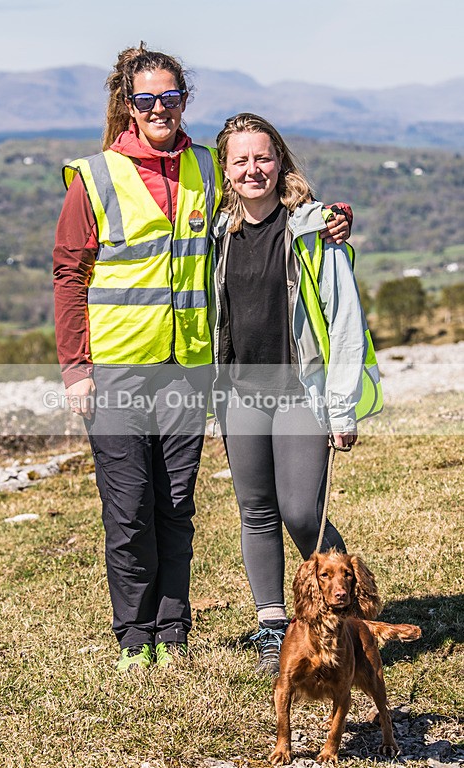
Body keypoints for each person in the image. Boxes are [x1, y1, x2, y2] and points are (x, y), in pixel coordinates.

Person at [53, 44, 351, 673]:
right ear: (129, 106)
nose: (160, 107)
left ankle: (174, 630)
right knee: (129, 507)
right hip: (118, 371)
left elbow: (272, 193)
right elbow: (69, 273)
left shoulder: (206, 170)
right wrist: (76, 368)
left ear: (184, 100)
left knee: (177, 506)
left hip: (189, 373)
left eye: (171, 97)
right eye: (147, 99)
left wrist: (333, 217)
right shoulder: (96, 175)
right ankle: (138, 638)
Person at [212, 113, 382, 674]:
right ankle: (272, 626)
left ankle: (349, 607)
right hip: (239, 392)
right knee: (255, 511)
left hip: (299, 392)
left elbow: (345, 319)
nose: (253, 169)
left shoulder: (313, 230)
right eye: (241, 160)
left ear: (280, 160)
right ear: (226, 169)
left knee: (300, 510)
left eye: (263, 157)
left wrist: (341, 406)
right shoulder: (215, 235)